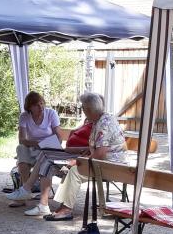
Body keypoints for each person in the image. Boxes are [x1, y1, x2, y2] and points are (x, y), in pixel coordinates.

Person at [30, 92, 125, 221]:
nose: (83, 111)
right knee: (71, 169)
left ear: (89, 109)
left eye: (83, 108)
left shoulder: (104, 123)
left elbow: (100, 153)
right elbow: (97, 149)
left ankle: (66, 209)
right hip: (104, 162)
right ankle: (63, 206)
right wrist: (83, 154)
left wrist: (77, 161)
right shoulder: (99, 120)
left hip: (111, 166)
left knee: (75, 171)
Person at [5, 118, 92, 207]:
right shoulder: (85, 125)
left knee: (46, 162)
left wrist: (74, 156)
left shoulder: (98, 127)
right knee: (38, 155)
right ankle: (31, 194)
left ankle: (34, 197)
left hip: (70, 165)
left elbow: (94, 150)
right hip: (67, 158)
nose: (86, 120)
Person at [13, 91, 62, 194]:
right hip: (33, 148)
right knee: (21, 149)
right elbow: (22, 140)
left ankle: (25, 192)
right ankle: (26, 192)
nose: (40, 107)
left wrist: (44, 144)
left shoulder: (51, 113)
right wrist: (38, 143)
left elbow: (59, 138)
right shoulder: (24, 116)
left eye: (41, 103)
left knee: (29, 155)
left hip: (48, 149)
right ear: (29, 107)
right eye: (36, 105)